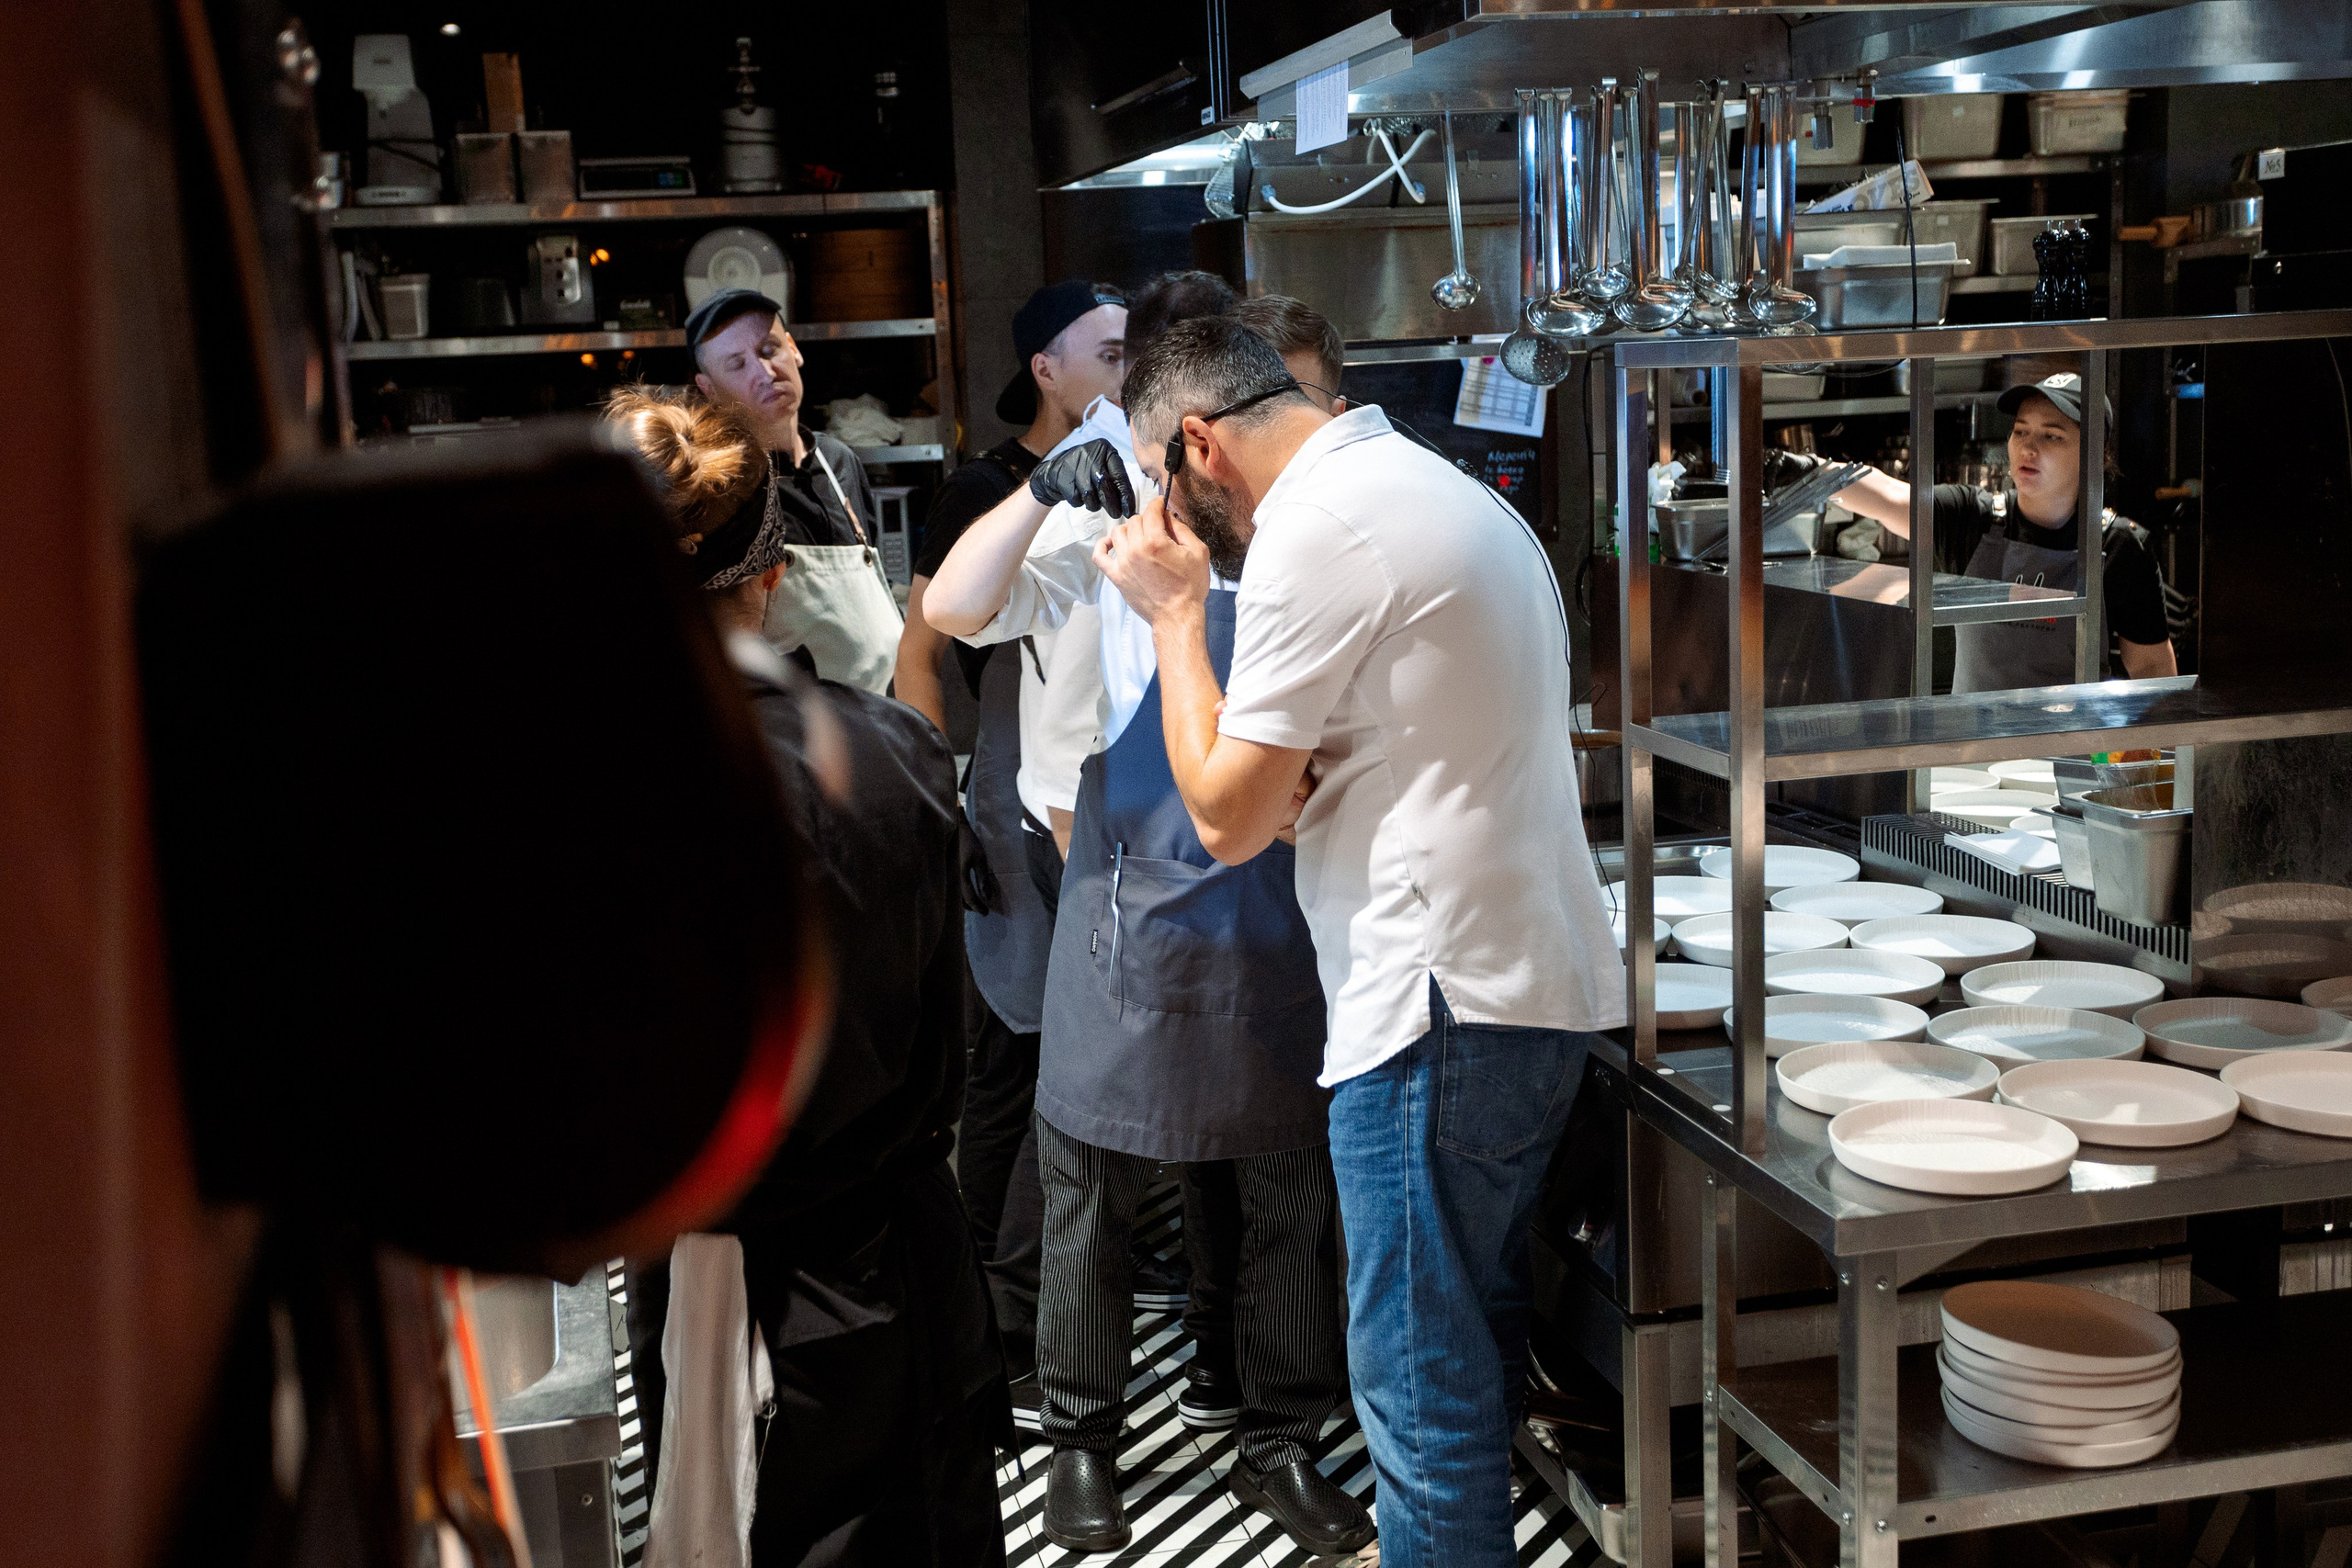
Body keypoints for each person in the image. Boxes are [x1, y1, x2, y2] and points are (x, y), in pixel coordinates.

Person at [1093, 316, 1625, 1568]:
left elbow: (1225, 816)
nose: (1165, 525)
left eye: (1154, 488)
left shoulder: (1314, 533)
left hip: (1436, 1006)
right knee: (1470, 1358)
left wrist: (1176, 619)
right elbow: (1290, 782)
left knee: (1418, 1389)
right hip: (1522, 987)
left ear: (1196, 447)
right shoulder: (1417, 481)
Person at [925, 280, 1372, 1560]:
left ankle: (1280, 1438)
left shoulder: (1295, 543)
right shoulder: (1094, 530)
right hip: (1115, 915)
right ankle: (1080, 1441)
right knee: (1089, 1195)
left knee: (1290, 1194)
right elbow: (951, 610)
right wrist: (1038, 490)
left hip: (1274, 911)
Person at [604, 389, 1006, 1567]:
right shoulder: (898, 754)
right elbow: (952, 1045)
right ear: (771, 575)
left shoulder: (573, 807)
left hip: (702, 1274)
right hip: (892, 1260)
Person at [886, 281, 1173, 1413]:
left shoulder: (1132, 480)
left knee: (1047, 1064)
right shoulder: (991, 487)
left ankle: (1016, 1301)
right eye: (1106, 351)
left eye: (1132, 350)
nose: (1122, 368)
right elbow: (928, 645)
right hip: (1003, 798)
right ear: (1046, 368)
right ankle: (986, 1317)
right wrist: (940, 800)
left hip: (1067, 803)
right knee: (1014, 1066)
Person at [1808, 370, 2178, 692]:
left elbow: (2151, 671)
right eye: (2020, 431)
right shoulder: (1972, 518)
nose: (2028, 448)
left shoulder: (2120, 545)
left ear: (2095, 455)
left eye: (2051, 436)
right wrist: (1804, 470)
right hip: (1973, 764)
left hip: (2072, 761)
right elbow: (1890, 496)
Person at [685, 288, 904, 694]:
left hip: (877, 715)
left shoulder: (839, 461)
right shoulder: (720, 489)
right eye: (737, 364)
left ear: (793, 348)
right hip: (789, 732)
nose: (765, 372)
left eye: (769, 349)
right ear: (708, 388)